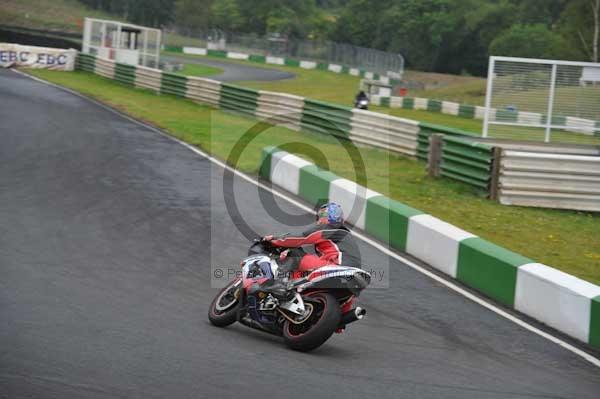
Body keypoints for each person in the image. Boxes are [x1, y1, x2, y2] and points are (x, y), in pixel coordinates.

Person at [257, 202, 361, 299]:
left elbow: (300, 238)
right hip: (354, 278)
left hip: (336, 268)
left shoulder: (328, 228)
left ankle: (277, 284)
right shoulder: (345, 235)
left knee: (294, 253)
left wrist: (273, 239)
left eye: (322, 215)